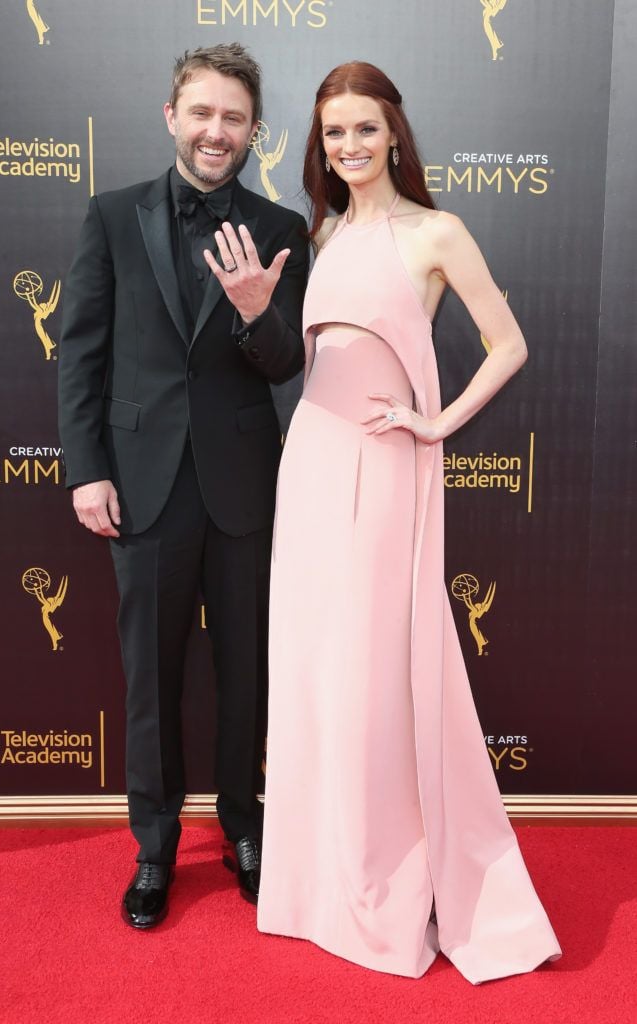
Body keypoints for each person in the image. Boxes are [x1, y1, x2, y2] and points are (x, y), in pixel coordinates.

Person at [257, 61, 561, 983]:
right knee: (314, 667)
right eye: (332, 134)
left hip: (386, 468)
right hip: (309, 464)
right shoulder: (319, 234)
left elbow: (507, 345)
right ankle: (318, 879)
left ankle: (390, 875)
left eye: (363, 129)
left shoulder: (436, 231)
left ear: (394, 131)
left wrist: (433, 422)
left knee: (375, 668)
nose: (348, 147)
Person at [58, 43, 307, 928]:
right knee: (149, 679)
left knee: (247, 672)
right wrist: (85, 468)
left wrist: (252, 313)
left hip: (243, 486)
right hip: (141, 484)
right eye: (201, 112)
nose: (216, 131)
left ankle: (245, 828)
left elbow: (288, 365)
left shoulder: (282, 228)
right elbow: (79, 354)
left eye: (233, 117)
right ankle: (154, 849)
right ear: (172, 115)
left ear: (252, 131)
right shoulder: (113, 215)